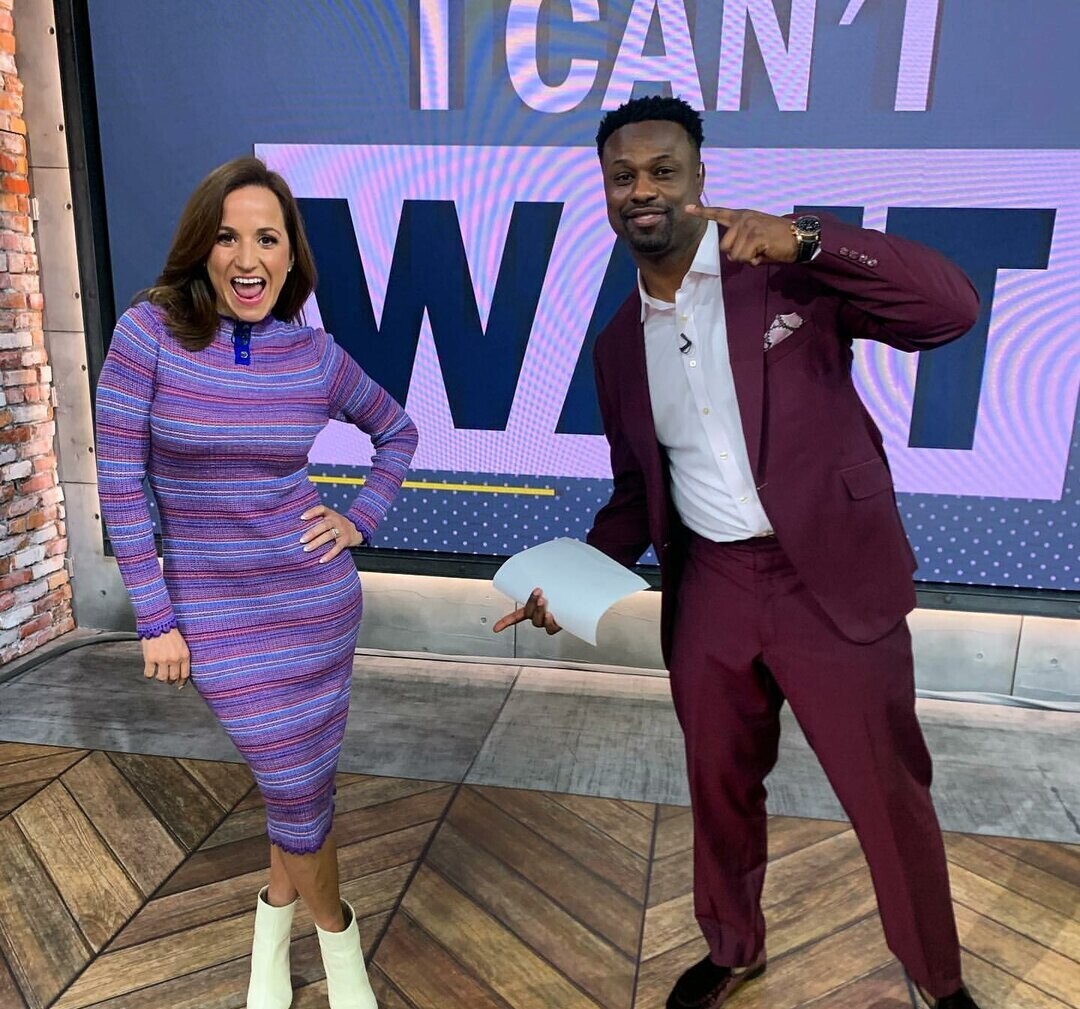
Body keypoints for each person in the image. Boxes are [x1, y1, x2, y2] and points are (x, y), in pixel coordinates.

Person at [494, 96, 984, 1009]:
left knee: (888, 794)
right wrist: (567, 577)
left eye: (663, 170)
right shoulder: (616, 347)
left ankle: (938, 978)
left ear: (699, 178)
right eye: (623, 176)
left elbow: (951, 308)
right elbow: (637, 494)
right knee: (717, 788)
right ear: (606, 191)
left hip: (829, 579)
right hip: (712, 589)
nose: (643, 190)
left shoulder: (787, 278)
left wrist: (810, 238)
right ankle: (732, 948)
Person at [95, 156, 417, 1009]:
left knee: (296, 785)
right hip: (212, 612)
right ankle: (343, 950)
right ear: (201, 249)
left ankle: (272, 941)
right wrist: (155, 616)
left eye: (267, 238)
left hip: (314, 604)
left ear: (289, 254)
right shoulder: (146, 335)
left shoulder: (314, 354)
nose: (248, 257)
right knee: (295, 785)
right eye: (228, 237)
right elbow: (120, 484)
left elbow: (398, 431)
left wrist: (359, 518)